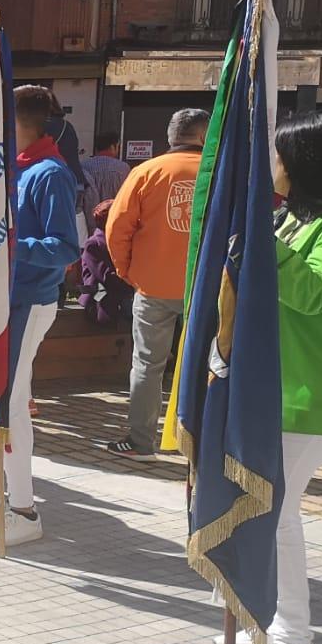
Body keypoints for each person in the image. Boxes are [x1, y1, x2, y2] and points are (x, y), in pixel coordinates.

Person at [219, 108, 322, 644]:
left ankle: (296, 640)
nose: (272, 164)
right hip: (266, 388)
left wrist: (258, 233)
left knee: (277, 513)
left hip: (312, 396)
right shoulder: (286, 218)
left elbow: (314, 292)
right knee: (263, 510)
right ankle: (265, 621)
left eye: (279, 153)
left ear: (303, 161)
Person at [0, 86, 81, 547]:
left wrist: (9, 247)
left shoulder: (50, 174)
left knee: (11, 406)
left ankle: (24, 509)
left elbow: (64, 248)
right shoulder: (16, 168)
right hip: (5, 302)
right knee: (5, 403)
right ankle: (11, 498)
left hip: (28, 302)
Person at [103, 108, 207, 457]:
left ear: (170, 137)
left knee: (147, 365)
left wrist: (127, 270)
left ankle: (140, 441)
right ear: (204, 135)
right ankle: (202, 445)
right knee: (207, 365)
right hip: (206, 287)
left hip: (153, 285)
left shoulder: (146, 171)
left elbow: (117, 228)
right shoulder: (220, 172)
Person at [78, 199, 132, 327]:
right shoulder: (93, 244)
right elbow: (107, 277)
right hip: (102, 300)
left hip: (124, 295)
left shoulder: (123, 241)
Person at [82, 130, 131, 229]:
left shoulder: (84, 166)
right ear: (113, 146)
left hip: (89, 223)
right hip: (115, 221)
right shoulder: (123, 168)